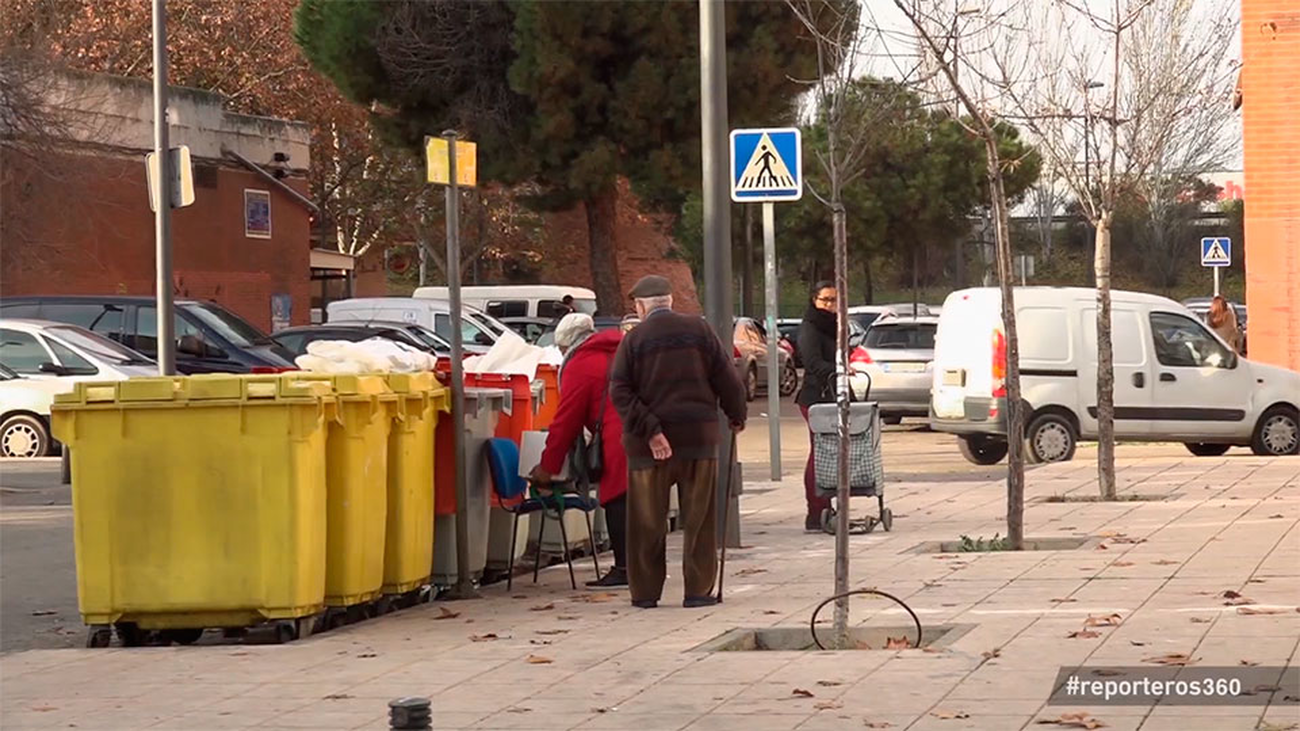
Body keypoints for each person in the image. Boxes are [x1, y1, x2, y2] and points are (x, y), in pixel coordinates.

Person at [609, 275, 747, 609]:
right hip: (698, 439)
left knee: (646, 522)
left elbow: (620, 390)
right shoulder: (700, 332)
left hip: (647, 449)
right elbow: (727, 378)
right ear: (670, 301)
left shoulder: (634, 339)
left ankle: (645, 593)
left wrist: (652, 431)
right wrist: (736, 414)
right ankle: (698, 592)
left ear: (641, 306)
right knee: (699, 519)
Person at [530, 313, 630, 587]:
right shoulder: (622, 350)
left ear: (570, 343)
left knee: (616, 499)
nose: (562, 354)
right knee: (640, 500)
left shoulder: (582, 364)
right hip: (645, 432)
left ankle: (625, 568)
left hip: (616, 437)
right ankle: (644, 566)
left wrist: (547, 467)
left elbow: (566, 421)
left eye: (562, 349)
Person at [796, 281, 838, 532]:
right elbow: (812, 362)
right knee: (819, 453)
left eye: (834, 300)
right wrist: (840, 370)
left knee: (830, 454)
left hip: (833, 395)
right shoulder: (811, 327)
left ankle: (826, 505)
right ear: (815, 300)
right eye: (825, 300)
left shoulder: (835, 326)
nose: (830, 305)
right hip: (816, 397)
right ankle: (816, 510)